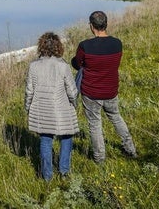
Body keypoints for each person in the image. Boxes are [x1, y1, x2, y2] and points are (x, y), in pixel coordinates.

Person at [71, 11, 137, 164]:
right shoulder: (117, 43)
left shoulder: (85, 46)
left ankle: (99, 158)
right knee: (116, 117)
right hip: (111, 90)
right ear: (106, 24)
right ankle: (130, 149)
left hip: (91, 92)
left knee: (95, 124)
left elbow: (77, 64)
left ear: (91, 26)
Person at [25, 32, 79, 181]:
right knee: (67, 136)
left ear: (41, 47)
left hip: (41, 109)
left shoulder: (33, 66)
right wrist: (74, 104)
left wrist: (28, 107)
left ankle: (47, 176)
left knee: (45, 140)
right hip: (62, 108)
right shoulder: (63, 66)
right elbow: (72, 91)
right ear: (58, 47)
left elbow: (29, 90)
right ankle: (64, 171)